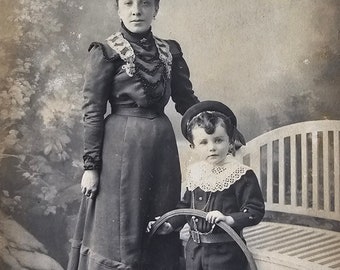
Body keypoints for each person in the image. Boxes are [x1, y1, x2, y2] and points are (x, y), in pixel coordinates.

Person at [67, 0, 199, 269]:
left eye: (145, 3)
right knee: (122, 229)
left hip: (161, 150)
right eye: (128, 3)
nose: (136, 10)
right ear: (118, 9)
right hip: (120, 151)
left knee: (161, 222)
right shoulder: (105, 52)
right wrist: (91, 166)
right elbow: (92, 111)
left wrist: (219, 125)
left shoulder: (169, 51)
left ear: (156, 9)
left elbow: (186, 100)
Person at [149, 100, 265, 270]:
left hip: (226, 254)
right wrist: (170, 224)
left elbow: (255, 210)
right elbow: (186, 206)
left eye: (218, 140)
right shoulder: (196, 172)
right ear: (193, 146)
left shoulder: (240, 174)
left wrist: (228, 219)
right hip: (195, 251)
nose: (212, 148)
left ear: (230, 141)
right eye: (204, 142)